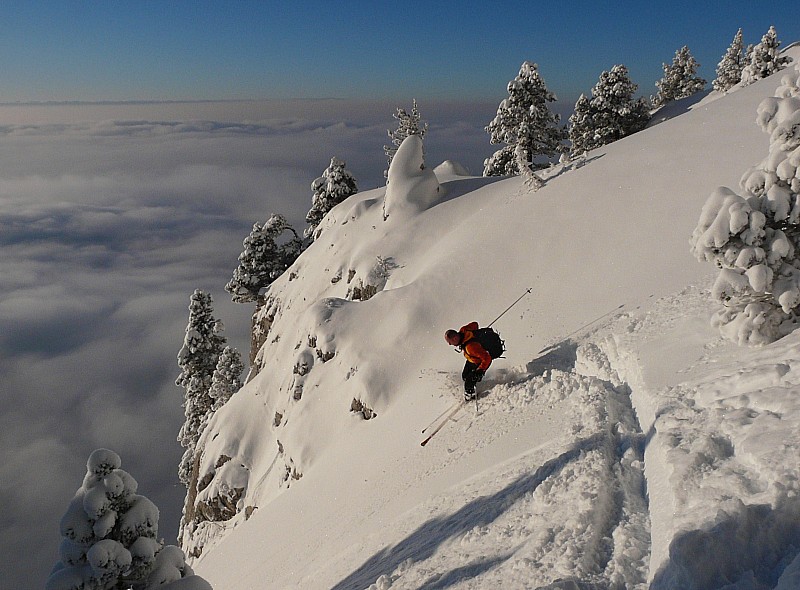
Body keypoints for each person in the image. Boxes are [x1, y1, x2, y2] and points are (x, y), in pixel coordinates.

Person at [444, 321, 493, 401]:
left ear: (455, 338)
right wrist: (474, 333)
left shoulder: (471, 347)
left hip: (479, 361)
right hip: (472, 359)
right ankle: (474, 386)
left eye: (450, 341)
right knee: (465, 376)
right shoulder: (464, 330)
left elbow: (487, 358)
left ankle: (470, 396)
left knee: (469, 382)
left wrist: (480, 370)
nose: (449, 344)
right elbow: (475, 324)